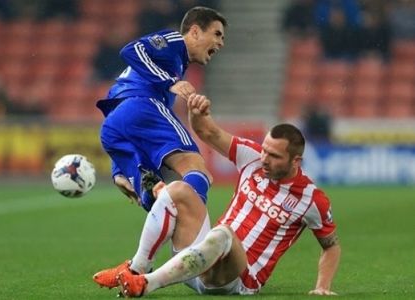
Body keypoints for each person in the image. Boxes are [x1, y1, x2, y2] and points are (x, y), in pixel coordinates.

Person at [93, 94, 341, 296]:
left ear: (296, 160)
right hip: (197, 262)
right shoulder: (253, 158)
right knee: (178, 189)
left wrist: (322, 287)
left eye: (274, 156)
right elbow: (209, 133)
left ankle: (147, 284)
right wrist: (196, 113)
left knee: (223, 233)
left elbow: (331, 246)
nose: (264, 159)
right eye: (264, 151)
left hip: (237, 279)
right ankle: (137, 269)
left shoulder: (311, 198)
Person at [96, 6, 227, 212]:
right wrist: (169, 81)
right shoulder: (175, 42)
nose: (221, 43)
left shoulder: (165, 65)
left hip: (113, 125)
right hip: (141, 106)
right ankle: (197, 239)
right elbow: (131, 49)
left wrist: (118, 170)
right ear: (194, 31)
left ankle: (152, 197)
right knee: (198, 171)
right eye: (217, 34)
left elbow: (120, 115)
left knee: (155, 197)